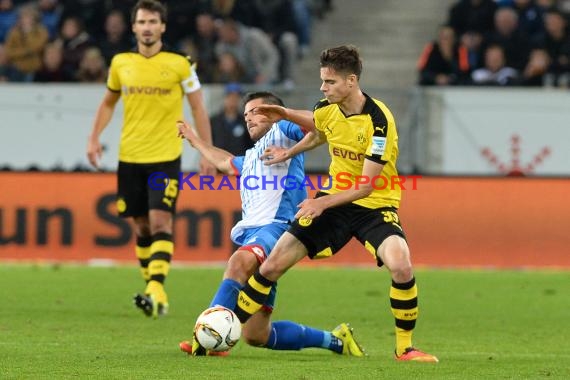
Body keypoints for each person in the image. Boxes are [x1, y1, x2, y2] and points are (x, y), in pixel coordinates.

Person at [233, 45, 439, 362]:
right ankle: (224, 333)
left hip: (375, 205)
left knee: (401, 265)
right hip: (332, 203)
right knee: (272, 265)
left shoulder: (379, 122)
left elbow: (366, 186)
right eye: (322, 81)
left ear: (351, 81)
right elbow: (319, 130)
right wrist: (287, 143)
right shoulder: (328, 108)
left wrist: (321, 204)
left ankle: (405, 348)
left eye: (329, 82)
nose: (323, 87)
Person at [176, 91, 365, 357]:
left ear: (273, 112)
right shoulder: (252, 155)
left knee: (238, 263)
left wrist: (286, 115)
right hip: (255, 234)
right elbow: (223, 161)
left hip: (278, 227)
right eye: (245, 115)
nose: (249, 118)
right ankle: (335, 340)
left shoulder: (283, 131)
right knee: (257, 335)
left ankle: (205, 337)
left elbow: (321, 123)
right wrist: (194, 139)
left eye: (256, 111)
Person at [86, 0, 215, 318]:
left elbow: (198, 107)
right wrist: (93, 138)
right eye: (141, 22)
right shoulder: (120, 63)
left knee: (160, 220)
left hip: (165, 156)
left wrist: (206, 151)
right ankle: (154, 294)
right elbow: (107, 103)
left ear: (163, 27)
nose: (147, 27)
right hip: (129, 155)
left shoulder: (181, 64)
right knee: (142, 227)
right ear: (133, 27)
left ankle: (156, 287)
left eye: (152, 22)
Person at [210, 83, 253, 157]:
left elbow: (251, 144)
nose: (233, 100)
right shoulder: (214, 121)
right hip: (218, 162)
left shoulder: (246, 121)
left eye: (236, 97)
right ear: (225, 98)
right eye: (230, 97)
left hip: (239, 163)